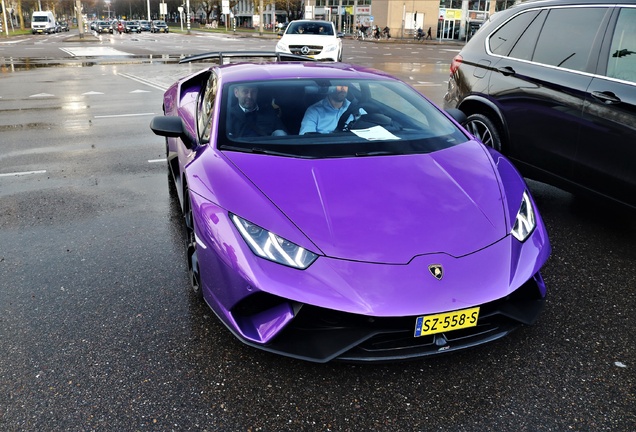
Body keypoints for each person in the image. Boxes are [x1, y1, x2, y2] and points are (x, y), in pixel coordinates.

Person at [299, 85, 366, 135]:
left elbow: (372, 130)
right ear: (329, 88)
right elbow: (306, 138)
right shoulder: (314, 111)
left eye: (345, 85)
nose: (343, 88)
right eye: (338, 85)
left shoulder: (356, 109)